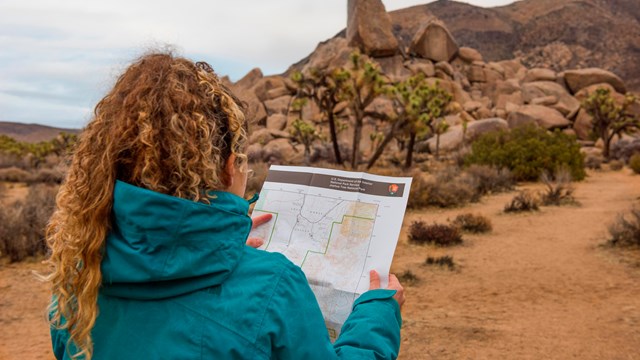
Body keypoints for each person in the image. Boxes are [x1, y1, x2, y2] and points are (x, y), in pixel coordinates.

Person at [45, 52, 405, 360]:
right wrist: (377, 314)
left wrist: (216, 249)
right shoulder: (273, 286)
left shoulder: (77, 279)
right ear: (229, 165)